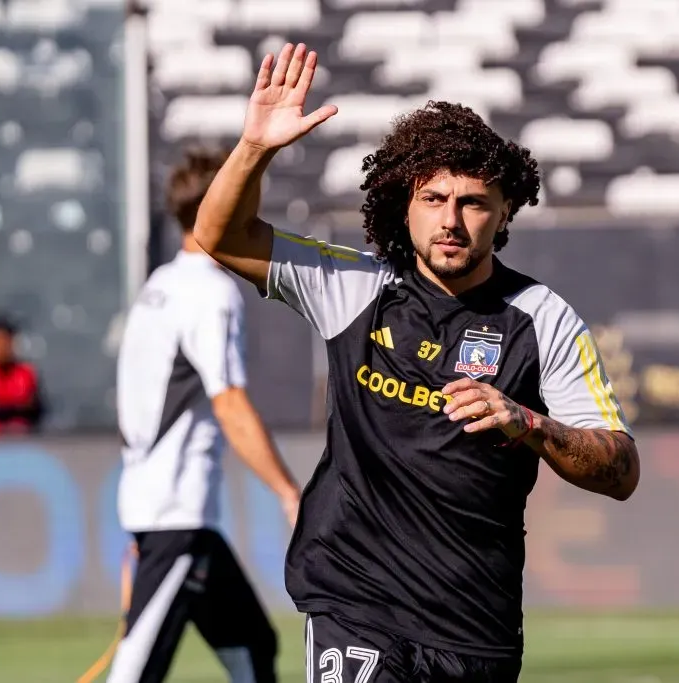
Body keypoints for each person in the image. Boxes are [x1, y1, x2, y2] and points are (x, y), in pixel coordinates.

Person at [194, 43, 640, 683]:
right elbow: (221, 236)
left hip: (473, 625)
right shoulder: (353, 287)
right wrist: (255, 150)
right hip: (354, 597)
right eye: (433, 199)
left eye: (473, 202)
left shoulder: (542, 319)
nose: (451, 220)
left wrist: (529, 423)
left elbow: (621, 470)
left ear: (505, 210)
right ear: (404, 203)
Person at [106, 146, 302, 683]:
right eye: (245, 198)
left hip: (162, 508)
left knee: (253, 646)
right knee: (134, 672)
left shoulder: (159, 287)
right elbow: (229, 402)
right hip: (177, 518)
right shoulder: (209, 292)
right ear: (219, 207)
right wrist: (288, 491)